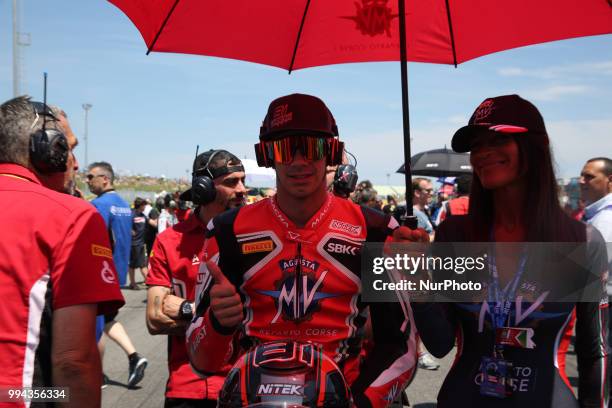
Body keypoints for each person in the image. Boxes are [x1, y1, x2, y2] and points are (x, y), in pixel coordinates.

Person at [187, 93, 416, 408]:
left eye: (310, 147)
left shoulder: (376, 230)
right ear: (267, 155)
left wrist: (360, 402)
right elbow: (202, 359)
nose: (297, 161)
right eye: (283, 148)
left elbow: (400, 347)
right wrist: (218, 324)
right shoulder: (226, 232)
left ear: (332, 152)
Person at [406, 94, 608, 407]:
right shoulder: (455, 234)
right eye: (476, 145)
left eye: (498, 139)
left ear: (534, 146)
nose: (482, 153)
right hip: (465, 397)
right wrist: (415, 279)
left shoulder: (583, 241)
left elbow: (594, 351)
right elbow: (440, 343)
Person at [0, 96, 124, 406]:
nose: (76, 163)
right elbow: (74, 362)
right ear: (46, 152)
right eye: (67, 148)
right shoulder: (71, 216)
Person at [146, 149, 246, 408]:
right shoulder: (169, 241)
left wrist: (187, 309)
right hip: (187, 388)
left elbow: (260, 317)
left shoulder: (256, 235)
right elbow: (155, 318)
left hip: (245, 383)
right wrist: (223, 319)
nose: (243, 189)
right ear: (203, 189)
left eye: (243, 180)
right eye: (231, 182)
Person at [86, 161, 148, 388]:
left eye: (90, 176)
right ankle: (134, 357)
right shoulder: (123, 204)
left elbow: (92, 239)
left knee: (95, 327)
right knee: (108, 320)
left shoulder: (98, 205)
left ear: (105, 179)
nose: (87, 180)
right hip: (116, 274)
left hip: (98, 275)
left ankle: (96, 376)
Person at [129, 197, 149, 289]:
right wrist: (130, 230)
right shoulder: (132, 214)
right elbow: (125, 225)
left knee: (142, 264)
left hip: (141, 244)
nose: (145, 206)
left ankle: (149, 282)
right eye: (144, 205)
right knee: (133, 265)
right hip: (133, 244)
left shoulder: (143, 215)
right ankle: (133, 283)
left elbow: (149, 224)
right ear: (140, 205)